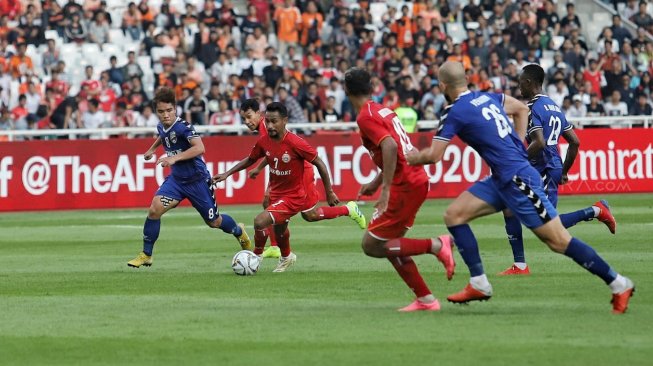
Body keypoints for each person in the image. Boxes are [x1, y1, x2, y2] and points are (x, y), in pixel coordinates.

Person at [406, 61, 634, 314]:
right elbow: (520, 108)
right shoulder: (488, 97)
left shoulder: (453, 110)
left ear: (442, 86)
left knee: (558, 241)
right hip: (502, 178)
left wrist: (410, 157)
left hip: (517, 179)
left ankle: (619, 283)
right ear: (467, 79)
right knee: (454, 215)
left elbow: (434, 156)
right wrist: (517, 141)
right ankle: (479, 283)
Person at [343, 67, 455, 312]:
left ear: (346, 90)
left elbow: (391, 147)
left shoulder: (365, 116)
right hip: (415, 179)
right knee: (390, 242)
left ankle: (437, 245)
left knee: (372, 245)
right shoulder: (382, 109)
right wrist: (377, 181)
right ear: (371, 87)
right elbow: (397, 151)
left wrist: (385, 190)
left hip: (404, 185)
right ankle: (426, 299)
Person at [216, 101, 366, 271]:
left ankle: (256, 256)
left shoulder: (291, 140)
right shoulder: (265, 137)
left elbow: (314, 161)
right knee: (299, 219)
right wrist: (229, 173)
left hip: (300, 179)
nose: (247, 122)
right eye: (243, 118)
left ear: (261, 114)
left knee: (271, 218)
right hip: (282, 184)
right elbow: (266, 154)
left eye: (249, 117)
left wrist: (329, 191)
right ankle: (283, 253)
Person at [498, 64, 617, 276]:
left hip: (541, 170)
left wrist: (518, 162)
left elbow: (539, 142)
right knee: (509, 209)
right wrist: (563, 171)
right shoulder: (553, 106)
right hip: (548, 169)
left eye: (520, 84)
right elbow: (575, 141)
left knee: (549, 229)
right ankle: (520, 266)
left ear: (528, 83)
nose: (519, 89)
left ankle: (596, 210)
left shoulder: (533, 109)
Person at [127, 87, 252, 268]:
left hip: (198, 181)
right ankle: (146, 254)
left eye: (169, 110)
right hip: (177, 181)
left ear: (175, 108)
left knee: (214, 222)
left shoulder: (184, 127)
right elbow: (163, 136)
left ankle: (239, 231)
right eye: (161, 112)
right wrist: (152, 149)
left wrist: (174, 158)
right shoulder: (162, 126)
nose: (166, 115)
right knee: (154, 210)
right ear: (156, 112)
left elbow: (200, 148)